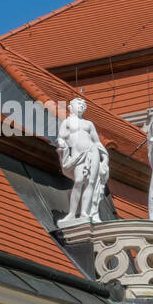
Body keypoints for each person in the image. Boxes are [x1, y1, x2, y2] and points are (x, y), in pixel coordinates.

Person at [55, 97, 109, 228]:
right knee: (79, 181)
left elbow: (96, 142)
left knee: (90, 183)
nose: (81, 107)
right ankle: (72, 213)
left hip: (92, 152)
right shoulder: (67, 123)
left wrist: (105, 158)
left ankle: (84, 212)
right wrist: (61, 143)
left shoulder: (89, 124)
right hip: (78, 155)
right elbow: (60, 138)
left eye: (82, 105)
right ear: (70, 107)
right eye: (78, 104)